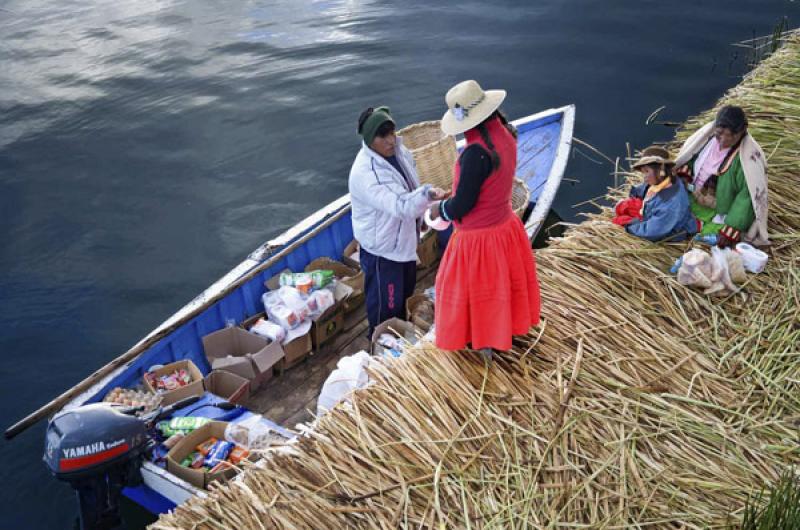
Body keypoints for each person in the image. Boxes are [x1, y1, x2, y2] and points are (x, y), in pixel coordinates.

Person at [428, 80, 540, 354]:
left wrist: (439, 210)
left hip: (479, 241)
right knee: (501, 289)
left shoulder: (475, 154)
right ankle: (504, 333)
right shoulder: (506, 134)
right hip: (504, 227)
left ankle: (485, 343)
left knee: (478, 297)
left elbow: (463, 205)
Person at [348, 106, 446, 337]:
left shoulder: (400, 152)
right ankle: (379, 347)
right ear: (370, 140)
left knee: (404, 298)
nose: (392, 140)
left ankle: (398, 341)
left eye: (392, 132)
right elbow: (400, 205)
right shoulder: (366, 173)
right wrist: (428, 196)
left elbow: (410, 187)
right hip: (383, 251)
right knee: (385, 309)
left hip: (404, 243)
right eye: (384, 136)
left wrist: (421, 218)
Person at [674, 105, 769, 248]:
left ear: (742, 130)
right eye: (719, 134)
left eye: (731, 136)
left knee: (707, 235)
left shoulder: (747, 160)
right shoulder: (707, 139)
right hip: (695, 194)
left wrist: (731, 228)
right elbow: (691, 156)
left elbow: (747, 196)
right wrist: (684, 175)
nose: (723, 140)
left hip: (720, 210)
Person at [616, 146, 699, 242]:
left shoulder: (671, 203)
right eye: (643, 172)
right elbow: (642, 189)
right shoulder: (663, 180)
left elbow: (651, 232)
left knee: (619, 220)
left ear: (661, 170)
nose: (644, 177)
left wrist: (629, 224)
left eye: (647, 171)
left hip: (667, 230)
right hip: (654, 216)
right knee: (623, 206)